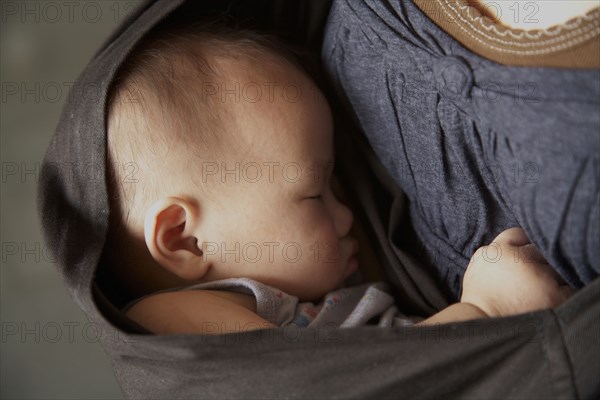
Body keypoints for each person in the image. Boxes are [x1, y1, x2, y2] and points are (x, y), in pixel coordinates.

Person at [104, 21, 573, 335]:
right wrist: (484, 313)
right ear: (186, 240)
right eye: (314, 193)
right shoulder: (175, 320)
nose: (346, 214)